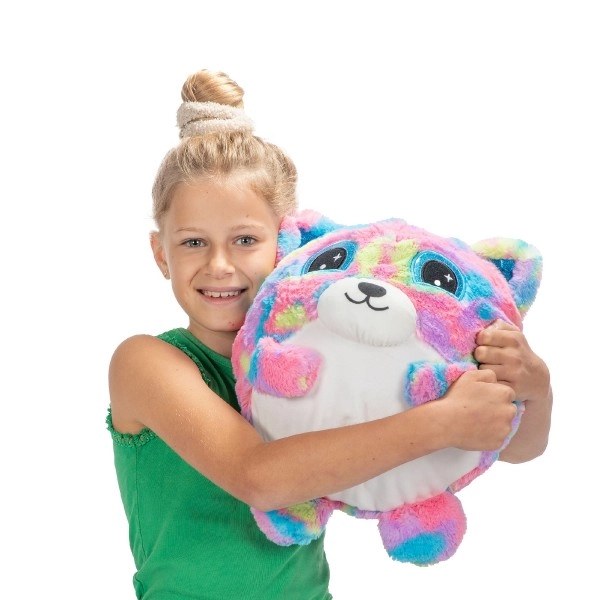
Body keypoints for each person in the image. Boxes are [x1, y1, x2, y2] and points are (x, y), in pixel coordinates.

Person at [107, 69, 553, 600]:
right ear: (161, 254)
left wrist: (533, 385)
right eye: (193, 242)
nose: (219, 265)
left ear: (287, 243)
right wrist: (440, 421)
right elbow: (258, 478)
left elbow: (514, 447)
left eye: (245, 239)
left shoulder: (329, 356)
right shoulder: (147, 363)